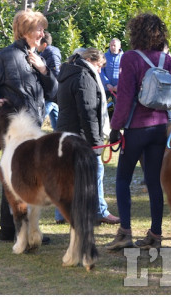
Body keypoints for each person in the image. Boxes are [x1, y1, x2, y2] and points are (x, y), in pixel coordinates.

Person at [0, 9, 58, 242]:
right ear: (26, 31)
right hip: (14, 127)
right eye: (39, 28)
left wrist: (43, 69)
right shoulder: (7, 56)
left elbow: (53, 92)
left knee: (15, 177)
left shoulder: (37, 57)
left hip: (33, 127)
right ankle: (22, 230)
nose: (43, 32)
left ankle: (9, 230)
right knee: (21, 177)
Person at [106, 13, 171, 250]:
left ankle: (125, 233)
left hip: (136, 129)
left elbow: (125, 97)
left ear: (135, 33)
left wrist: (114, 128)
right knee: (154, 182)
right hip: (161, 128)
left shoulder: (130, 58)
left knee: (122, 179)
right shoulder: (167, 61)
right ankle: (156, 235)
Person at [55, 48, 120, 225]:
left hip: (64, 133)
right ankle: (100, 211)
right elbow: (88, 112)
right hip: (79, 135)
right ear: (90, 60)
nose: (99, 71)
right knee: (97, 170)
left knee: (66, 174)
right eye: (99, 66)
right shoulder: (84, 76)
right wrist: (96, 144)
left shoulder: (67, 73)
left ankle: (61, 213)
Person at [38, 31, 61, 130]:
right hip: (51, 90)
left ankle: (33, 127)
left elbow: (56, 73)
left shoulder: (51, 54)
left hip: (51, 90)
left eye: (39, 43)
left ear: (44, 44)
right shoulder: (47, 53)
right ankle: (58, 132)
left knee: (41, 115)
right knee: (54, 112)